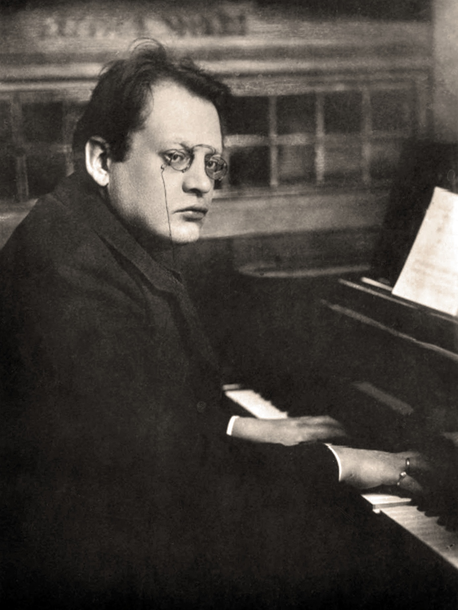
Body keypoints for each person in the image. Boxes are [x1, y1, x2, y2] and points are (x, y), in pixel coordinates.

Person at [0, 41, 433, 610]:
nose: (203, 184)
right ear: (102, 160)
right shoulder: (67, 274)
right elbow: (167, 473)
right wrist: (346, 462)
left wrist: (238, 427)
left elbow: (134, 415)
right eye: (177, 157)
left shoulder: (87, 234)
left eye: (213, 163)